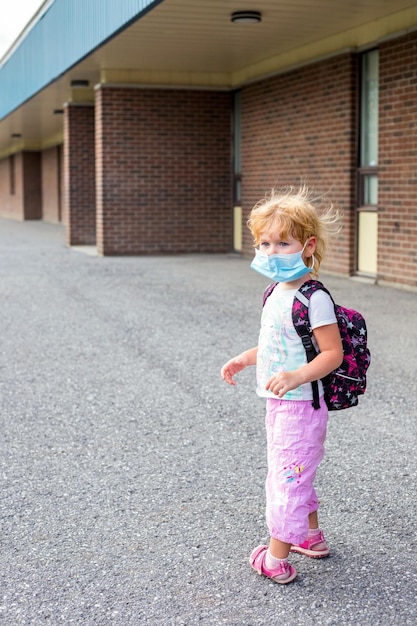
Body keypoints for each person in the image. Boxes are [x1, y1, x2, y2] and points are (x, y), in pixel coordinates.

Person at [221, 185, 343, 584]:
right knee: (294, 471)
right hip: (280, 402)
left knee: (287, 479)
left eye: (282, 242)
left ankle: (276, 558)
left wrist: (297, 376)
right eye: (264, 243)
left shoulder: (314, 298)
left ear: (307, 245)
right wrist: (244, 358)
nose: (271, 252)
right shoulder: (276, 291)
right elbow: (277, 343)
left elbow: (331, 354)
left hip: (301, 404)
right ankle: (311, 536)